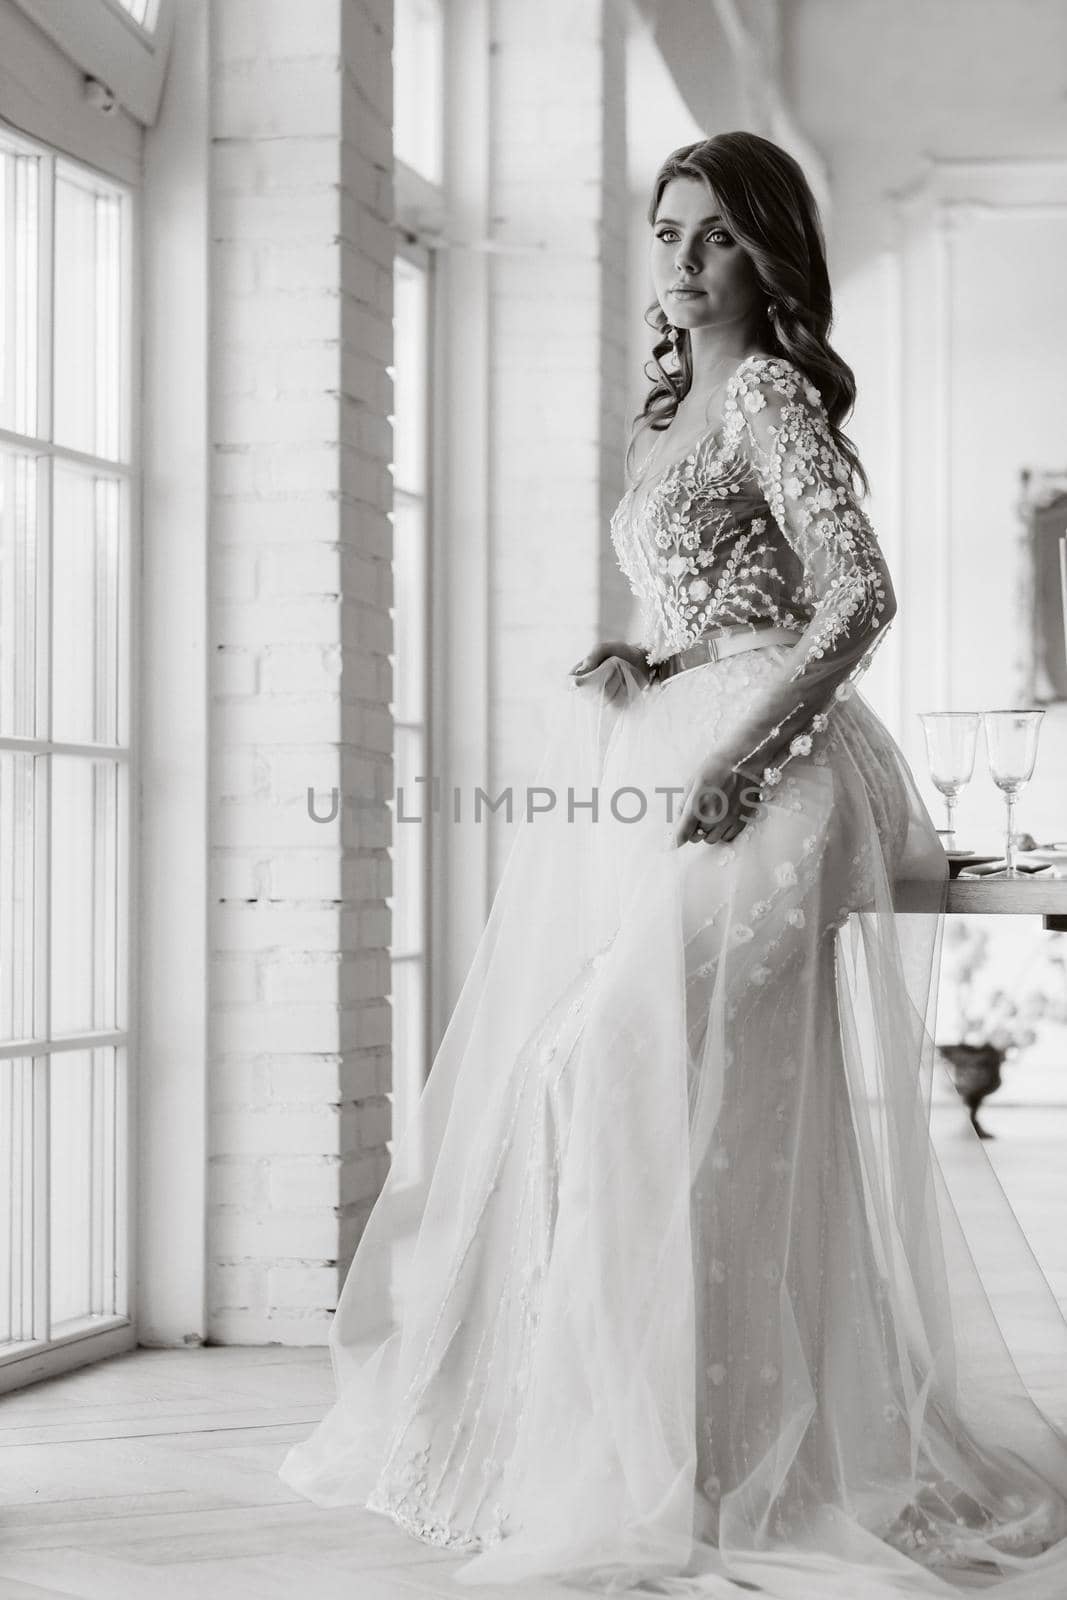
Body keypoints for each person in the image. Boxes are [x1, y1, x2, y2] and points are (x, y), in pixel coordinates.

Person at [278, 133, 1067, 1598]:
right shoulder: (672, 408)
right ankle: (683, 1448)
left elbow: (858, 596)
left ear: (768, 256)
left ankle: (698, 1461)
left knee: (615, 1053)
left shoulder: (767, 387)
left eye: (715, 237)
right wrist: (650, 654)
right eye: (668, 234)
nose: (687, 264)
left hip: (774, 775)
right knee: (681, 1091)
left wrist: (750, 750)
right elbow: (724, 591)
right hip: (679, 741)